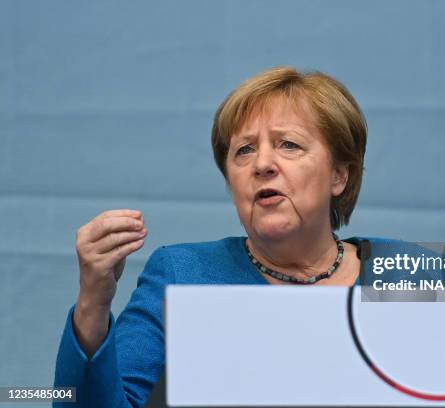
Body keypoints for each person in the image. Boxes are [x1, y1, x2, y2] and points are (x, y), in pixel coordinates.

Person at [53, 66, 371, 407]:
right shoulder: (183, 275)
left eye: (289, 144)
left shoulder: (410, 272)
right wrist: (92, 304)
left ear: (339, 176)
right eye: (244, 150)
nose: (262, 163)